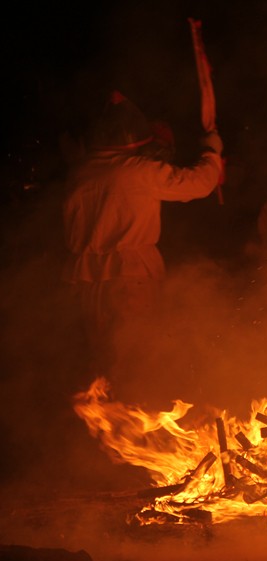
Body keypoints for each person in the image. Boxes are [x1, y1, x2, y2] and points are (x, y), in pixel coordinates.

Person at [62, 90, 223, 375]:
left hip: (87, 282)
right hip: (129, 278)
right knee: (137, 358)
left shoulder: (80, 172)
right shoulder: (137, 170)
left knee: (103, 360)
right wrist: (212, 153)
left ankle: (109, 416)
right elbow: (197, 184)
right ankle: (140, 413)